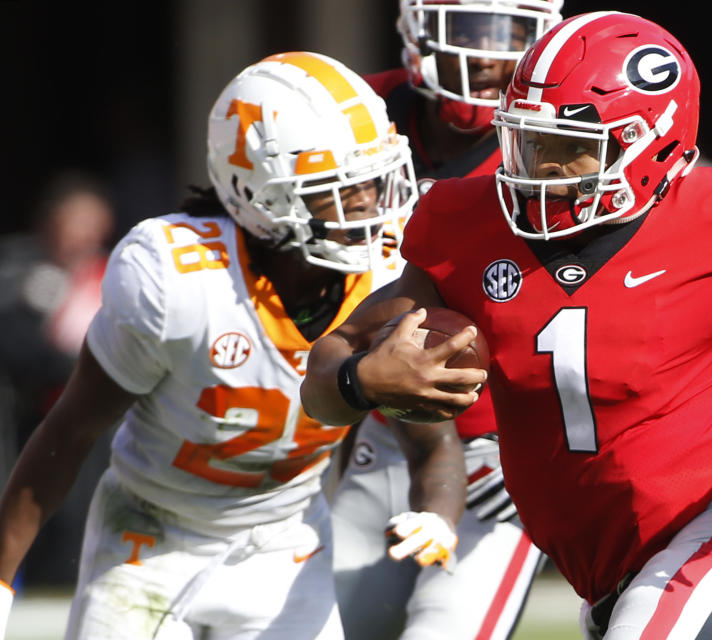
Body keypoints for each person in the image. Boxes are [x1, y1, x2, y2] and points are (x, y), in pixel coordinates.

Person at [301, 12, 712, 640]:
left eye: (568, 150)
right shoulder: (468, 228)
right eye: (528, 142)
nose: (539, 171)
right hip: (615, 585)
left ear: (654, 144)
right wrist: (361, 379)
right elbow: (329, 363)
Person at [0, 51, 466, 640]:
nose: (372, 206)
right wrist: (0, 579)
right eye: (339, 189)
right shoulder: (176, 279)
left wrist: (436, 514)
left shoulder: (385, 277)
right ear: (259, 198)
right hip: (150, 538)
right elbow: (69, 431)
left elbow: (433, 448)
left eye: (373, 182)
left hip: (286, 544)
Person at [329, 1, 563, 638]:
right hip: (383, 427)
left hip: (502, 452)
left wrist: (543, 450)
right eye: (468, 29)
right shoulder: (351, 110)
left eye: (509, 33)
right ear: (416, 26)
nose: (488, 52)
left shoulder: (563, 139)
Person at [0, 172, 115, 587]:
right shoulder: (21, 275)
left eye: (92, 225)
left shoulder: (117, 277)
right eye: (75, 224)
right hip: (41, 427)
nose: (84, 237)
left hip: (106, 439)